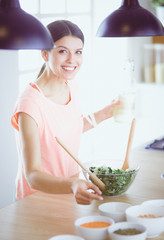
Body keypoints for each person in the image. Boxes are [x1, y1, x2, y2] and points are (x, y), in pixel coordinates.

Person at [11, 20, 120, 205]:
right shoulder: (29, 105)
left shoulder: (70, 85)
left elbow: (66, 131)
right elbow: (33, 175)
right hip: (35, 202)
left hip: (67, 196)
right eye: (63, 51)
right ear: (45, 54)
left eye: (78, 52)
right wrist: (72, 184)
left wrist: (105, 113)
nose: (72, 60)